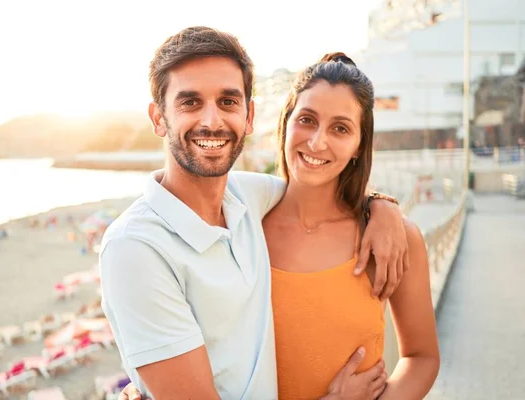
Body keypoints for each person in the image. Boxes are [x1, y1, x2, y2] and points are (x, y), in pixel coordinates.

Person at [100, 26, 408, 400]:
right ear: (158, 117)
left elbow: (323, 189)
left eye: (228, 102)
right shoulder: (134, 249)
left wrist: (381, 207)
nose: (212, 121)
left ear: (249, 117)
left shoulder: (248, 196)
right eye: (190, 102)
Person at [263, 53, 440, 400]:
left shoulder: (394, 238)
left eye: (340, 128)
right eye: (307, 120)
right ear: (286, 122)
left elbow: (422, 358)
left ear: (360, 145)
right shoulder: (243, 225)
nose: (317, 143)